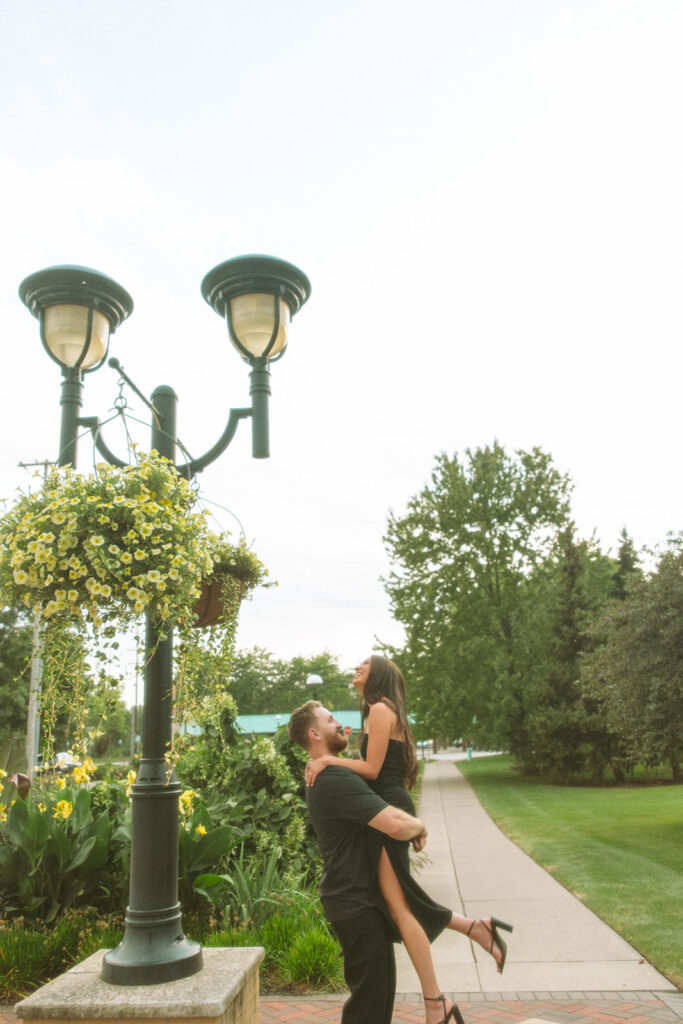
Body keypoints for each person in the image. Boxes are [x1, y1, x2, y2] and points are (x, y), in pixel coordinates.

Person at [306, 655, 514, 1020]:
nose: (357, 666)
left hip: (387, 805)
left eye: (365, 664)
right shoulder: (379, 711)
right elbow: (374, 768)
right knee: (402, 902)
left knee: (400, 909)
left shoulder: (379, 711)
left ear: (378, 675)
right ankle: (475, 929)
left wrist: (329, 761)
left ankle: (437, 1003)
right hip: (387, 804)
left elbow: (371, 771)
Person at [288, 700, 466, 1024]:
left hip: (359, 901)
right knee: (368, 1006)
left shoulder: (331, 774)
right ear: (314, 733)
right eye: (330, 720)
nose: (338, 723)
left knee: (378, 999)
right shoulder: (333, 781)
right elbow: (395, 824)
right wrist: (420, 826)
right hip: (353, 902)